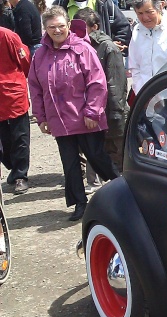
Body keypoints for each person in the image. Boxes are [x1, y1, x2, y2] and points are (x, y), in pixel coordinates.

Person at [28, 6, 119, 220]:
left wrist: (93, 112)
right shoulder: (40, 54)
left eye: (61, 26)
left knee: (97, 157)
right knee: (69, 164)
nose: (57, 30)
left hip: (85, 118)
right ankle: (79, 203)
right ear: (45, 29)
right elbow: (35, 87)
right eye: (52, 27)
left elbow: (97, 82)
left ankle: (121, 188)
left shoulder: (83, 49)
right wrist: (41, 117)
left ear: (68, 25)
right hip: (58, 119)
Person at [74, 8, 128, 179]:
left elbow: (116, 84)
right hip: (92, 111)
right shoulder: (76, 46)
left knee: (119, 156)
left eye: (83, 29)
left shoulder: (108, 47)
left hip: (111, 111)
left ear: (95, 27)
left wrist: (115, 113)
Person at [128, 0, 167, 94]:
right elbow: (135, 67)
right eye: (140, 13)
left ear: (160, 6)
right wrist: (140, 91)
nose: (145, 17)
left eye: (149, 12)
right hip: (144, 97)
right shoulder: (137, 32)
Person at [0, 26, 31, 194]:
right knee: (4, 142)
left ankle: (20, 176)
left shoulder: (8, 36)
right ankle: (13, 168)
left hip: (13, 94)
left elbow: (25, 61)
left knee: (20, 137)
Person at [51, 0, 132, 51]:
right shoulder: (59, 4)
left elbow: (124, 27)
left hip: (101, 59)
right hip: (70, 58)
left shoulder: (104, 3)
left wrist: (110, 46)